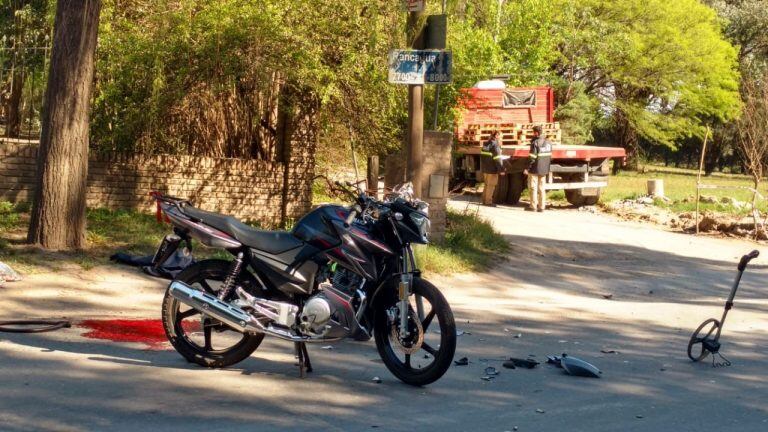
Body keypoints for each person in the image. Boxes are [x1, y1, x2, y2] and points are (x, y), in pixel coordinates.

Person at [524, 125, 552, 212]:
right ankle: (542, 207)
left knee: (533, 188)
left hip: (534, 169)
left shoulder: (535, 143)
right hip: (544, 169)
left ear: (536, 132)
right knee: (542, 188)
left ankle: (533, 206)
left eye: (533, 132)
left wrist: (527, 168)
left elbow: (532, 158)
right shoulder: (548, 143)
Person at [480, 130, 505, 206]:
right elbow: (498, 158)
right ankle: (488, 202)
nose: (501, 139)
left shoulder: (486, 144)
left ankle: (484, 201)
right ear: (497, 136)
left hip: (485, 168)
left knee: (487, 185)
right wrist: (501, 169)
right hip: (492, 169)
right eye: (501, 137)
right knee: (491, 185)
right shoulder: (496, 145)